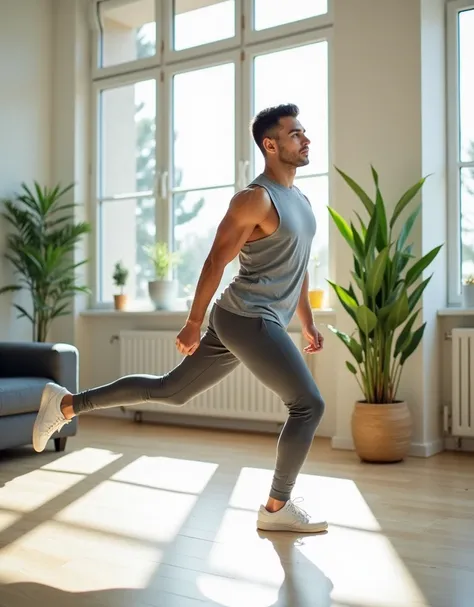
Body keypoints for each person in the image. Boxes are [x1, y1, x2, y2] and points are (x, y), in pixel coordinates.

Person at [33, 103, 327, 533]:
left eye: (304, 133)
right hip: (246, 317)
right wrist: (193, 321)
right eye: (296, 134)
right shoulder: (255, 199)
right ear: (270, 144)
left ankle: (65, 403)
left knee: (170, 391)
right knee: (309, 405)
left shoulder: (299, 199)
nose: (306, 140)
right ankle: (276, 509)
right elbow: (215, 262)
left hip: (253, 319)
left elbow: (296, 268)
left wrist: (309, 320)